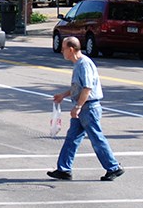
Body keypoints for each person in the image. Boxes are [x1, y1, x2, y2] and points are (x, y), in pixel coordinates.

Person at [47, 36, 124, 182]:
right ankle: (63, 169)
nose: (62, 51)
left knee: (96, 138)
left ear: (71, 49)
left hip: (88, 108)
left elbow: (87, 88)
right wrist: (63, 95)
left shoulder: (84, 64)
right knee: (72, 138)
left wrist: (78, 106)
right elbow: (79, 87)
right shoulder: (78, 64)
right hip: (83, 107)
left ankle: (113, 167)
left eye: (63, 48)